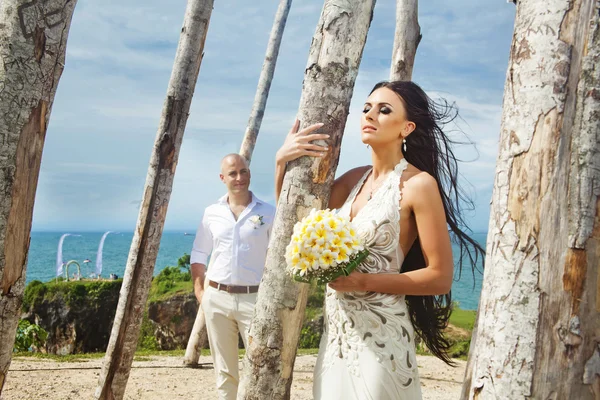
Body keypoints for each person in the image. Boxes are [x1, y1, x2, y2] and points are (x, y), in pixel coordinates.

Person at [275, 81, 484, 399]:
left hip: (383, 340)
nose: (371, 115)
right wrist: (281, 162)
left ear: (407, 127)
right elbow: (295, 226)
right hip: (335, 338)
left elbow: (439, 277)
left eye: (384, 110)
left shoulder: (418, 184)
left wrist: (363, 281)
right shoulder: (351, 180)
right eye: (367, 108)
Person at [190, 153, 276, 400]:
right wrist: (201, 293)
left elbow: (277, 257)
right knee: (224, 371)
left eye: (244, 171)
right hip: (217, 299)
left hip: (255, 300)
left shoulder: (269, 212)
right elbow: (198, 254)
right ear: (222, 178)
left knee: (259, 366)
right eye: (233, 173)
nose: (240, 177)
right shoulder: (211, 213)